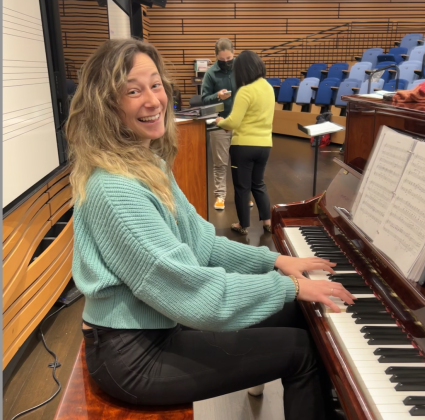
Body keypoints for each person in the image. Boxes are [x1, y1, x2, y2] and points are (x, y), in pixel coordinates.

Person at [66, 38, 355, 420]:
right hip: (132, 356)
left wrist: (276, 262)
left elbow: (202, 244)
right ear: (105, 104)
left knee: (302, 314)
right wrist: (290, 285)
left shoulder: (146, 162)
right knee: (300, 352)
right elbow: (196, 297)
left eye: (155, 84)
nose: (153, 100)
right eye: (132, 91)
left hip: (161, 320)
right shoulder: (115, 188)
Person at [216, 50, 274, 235]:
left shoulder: (245, 90)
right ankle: (268, 221)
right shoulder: (268, 87)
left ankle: (243, 225)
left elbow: (233, 122)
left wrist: (220, 122)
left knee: (242, 187)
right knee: (259, 183)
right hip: (265, 145)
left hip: (244, 146)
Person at [201, 38, 253, 211]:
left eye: (229, 58)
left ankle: (245, 196)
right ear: (215, 57)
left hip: (241, 124)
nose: (226, 62)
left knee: (242, 163)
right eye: (222, 60)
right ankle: (220, 196)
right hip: (219, 124)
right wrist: (217, 96)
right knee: (221, 163)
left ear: (234, 53)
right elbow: (203, 99)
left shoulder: (242, 68)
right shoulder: (211, 73)